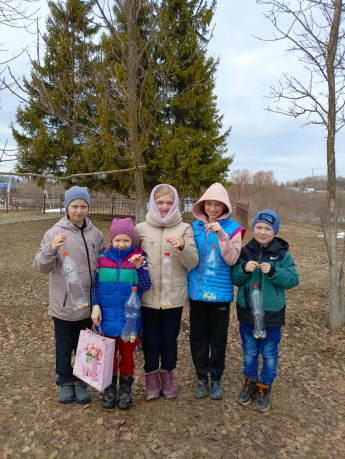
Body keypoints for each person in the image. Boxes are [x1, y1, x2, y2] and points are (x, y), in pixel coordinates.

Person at [33, 186, 106, 404]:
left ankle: (81, 381)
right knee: (64, 347)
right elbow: (40, 266)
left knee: (85, 345)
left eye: (83, 206)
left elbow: (103, 261)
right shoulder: (54, 233)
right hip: (64, 305)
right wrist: (51, 249)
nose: (79, 211)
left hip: (88, 304)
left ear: (88, 207)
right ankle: (65, 381)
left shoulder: (95, 233)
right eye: (74, 206)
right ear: (67, 207)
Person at [135, 184, 199, 400]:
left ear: (176, 204)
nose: (164, 206)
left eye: (169, 203)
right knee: (151, 340)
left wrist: (183, 246)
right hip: (148, 296)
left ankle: (168, 377)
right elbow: (130, 257)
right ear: (152, 203)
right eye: (160, 202)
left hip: (174, 296)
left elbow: (192, 262)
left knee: (170, 339)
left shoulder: (185, 229)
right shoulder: (140, 229)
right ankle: (151, 379)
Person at [232, 209, 299, 412]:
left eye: (268, 228)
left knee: (269, 352)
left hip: (272, 313)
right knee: (250, 350)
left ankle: (265, 386)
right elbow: (234, 278)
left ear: (274, 231)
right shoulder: (244, 252)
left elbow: (293, 280)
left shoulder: (282, 255)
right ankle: (250, 382)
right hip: (248, 312)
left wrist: (275, 271)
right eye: (259, 227)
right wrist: (243, 270)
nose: (262, 232)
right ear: (253, 229)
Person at [188, 182, 246, 400]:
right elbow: (189, 257)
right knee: (198, 338)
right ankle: (201, 377)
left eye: (217, 205)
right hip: (197, 293)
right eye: (208, 204)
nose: (212, 209)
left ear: (225, 207)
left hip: (221, 295)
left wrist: (222, 236)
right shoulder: (194, 227)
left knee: (218, 340)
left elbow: (232, 260)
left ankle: (216, 377)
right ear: (202, 205)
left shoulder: (234, 230)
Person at [91, 217, 151, 410]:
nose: (121, 244)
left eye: (126, 240)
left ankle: (125, 389)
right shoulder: (102, 260)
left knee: (127, 358)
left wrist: (139, 268)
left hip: (129, 322)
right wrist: (95, 305)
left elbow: (146, 286)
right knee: (108, 356)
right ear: (111, 240)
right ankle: (109, 388)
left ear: (132, 240)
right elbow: (95, 287)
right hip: (106, 320)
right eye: (117, 240)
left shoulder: (139, 260)